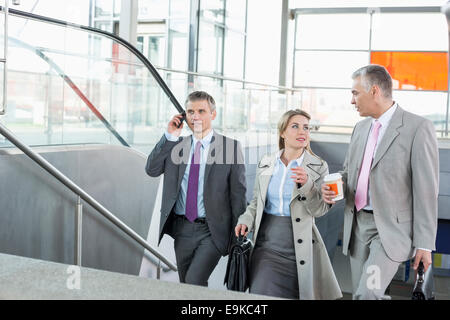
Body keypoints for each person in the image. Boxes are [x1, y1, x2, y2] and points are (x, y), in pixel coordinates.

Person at [322, 64, 439, 300]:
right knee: (363, 292)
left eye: (355, 93)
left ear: (374, 91)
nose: (352, 101)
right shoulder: (360, 128)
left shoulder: (417, 128)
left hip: (389, 233)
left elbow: (426, 190)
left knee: (367, 293)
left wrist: (425, 244)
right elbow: (349, 173)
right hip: (358, 227)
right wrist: (335, 187)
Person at [235, 109, 342, 300]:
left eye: (306, 128)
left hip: (300, 249)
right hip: (266, 246)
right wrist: (245, 220)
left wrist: (307, 185)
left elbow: (319, 210)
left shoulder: (319, 166)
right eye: (295, 126)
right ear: (283, 132)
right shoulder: (266, 162)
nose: (303, 132)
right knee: (260, 294)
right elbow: (256, 202)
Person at [146, 91, 247, 286]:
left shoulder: (230, 147)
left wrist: (238, 235)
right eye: (190, 111)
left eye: (201, 111)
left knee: (194, 280)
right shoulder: (176, 146)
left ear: (213, 114)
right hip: (182, 229)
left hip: (212, 230)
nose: (195, 116)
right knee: (187, 284)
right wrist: (169, 135)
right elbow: (151, 169)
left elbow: (238, 194)